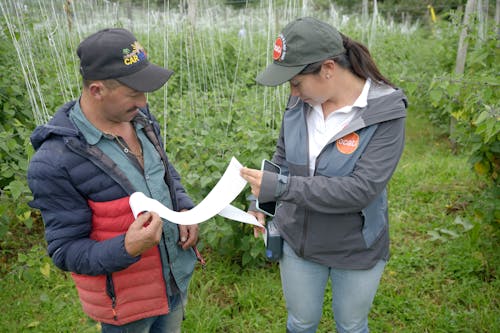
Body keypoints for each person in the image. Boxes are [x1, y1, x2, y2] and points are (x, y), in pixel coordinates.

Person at [27, 28, 201, 333]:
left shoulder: (140, 120)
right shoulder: (56, 160)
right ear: (97, 90)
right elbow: (66, 250)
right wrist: (127, 247)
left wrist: (184, 207)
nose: (144, 101)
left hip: (173, 282)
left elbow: (163, 171)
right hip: (127, 305)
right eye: (134, 93)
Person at [240, 17, 408, 333]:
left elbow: (359, 190)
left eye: (295, 82)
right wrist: (259, 200)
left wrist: (281, 187)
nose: (292, 91)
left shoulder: (385, 113)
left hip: (355, 246)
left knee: (351, 324)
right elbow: (282, 159)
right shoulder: (301, 102)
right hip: (299, 241)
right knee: (301, 322)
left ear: (328, 69)